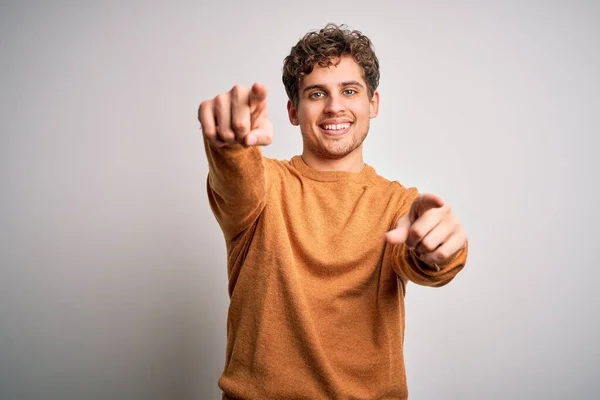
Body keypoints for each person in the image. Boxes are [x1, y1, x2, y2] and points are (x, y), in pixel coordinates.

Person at [198, 23, 468, 400]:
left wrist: (442, 251)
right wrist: (230, 143)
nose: (335, 106)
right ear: (293, 110)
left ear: (372, 104)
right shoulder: (265, 186)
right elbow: (235, 178)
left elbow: (428, 260)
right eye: (317, 93)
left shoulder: (399, 205)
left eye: (350, 91)